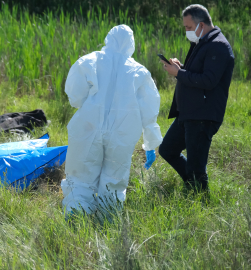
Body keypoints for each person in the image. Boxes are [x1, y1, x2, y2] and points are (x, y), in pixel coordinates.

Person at [61, 25, 163, 216]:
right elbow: (149, 111)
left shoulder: (90, 60)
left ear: (108, 38)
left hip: (87, 127)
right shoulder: (139, 72)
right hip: (122, 133)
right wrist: (150, 143)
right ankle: (107, 219)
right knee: (114, 179)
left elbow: (75, 96)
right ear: (131, 44)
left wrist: (90, 103)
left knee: (81, 175)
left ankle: (77, 213)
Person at [159, 4, 234, 192]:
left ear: (201, 24)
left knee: (197, 167)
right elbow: (198, 73)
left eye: (188, 27)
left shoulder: (218, 46)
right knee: (167, 149)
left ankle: (201, 201)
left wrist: (179, 74)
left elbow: (208, 81)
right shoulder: (202, 42)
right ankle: (192, 186)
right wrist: (180, 68)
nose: (187, 31)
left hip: (203, 116)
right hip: (189, 113)